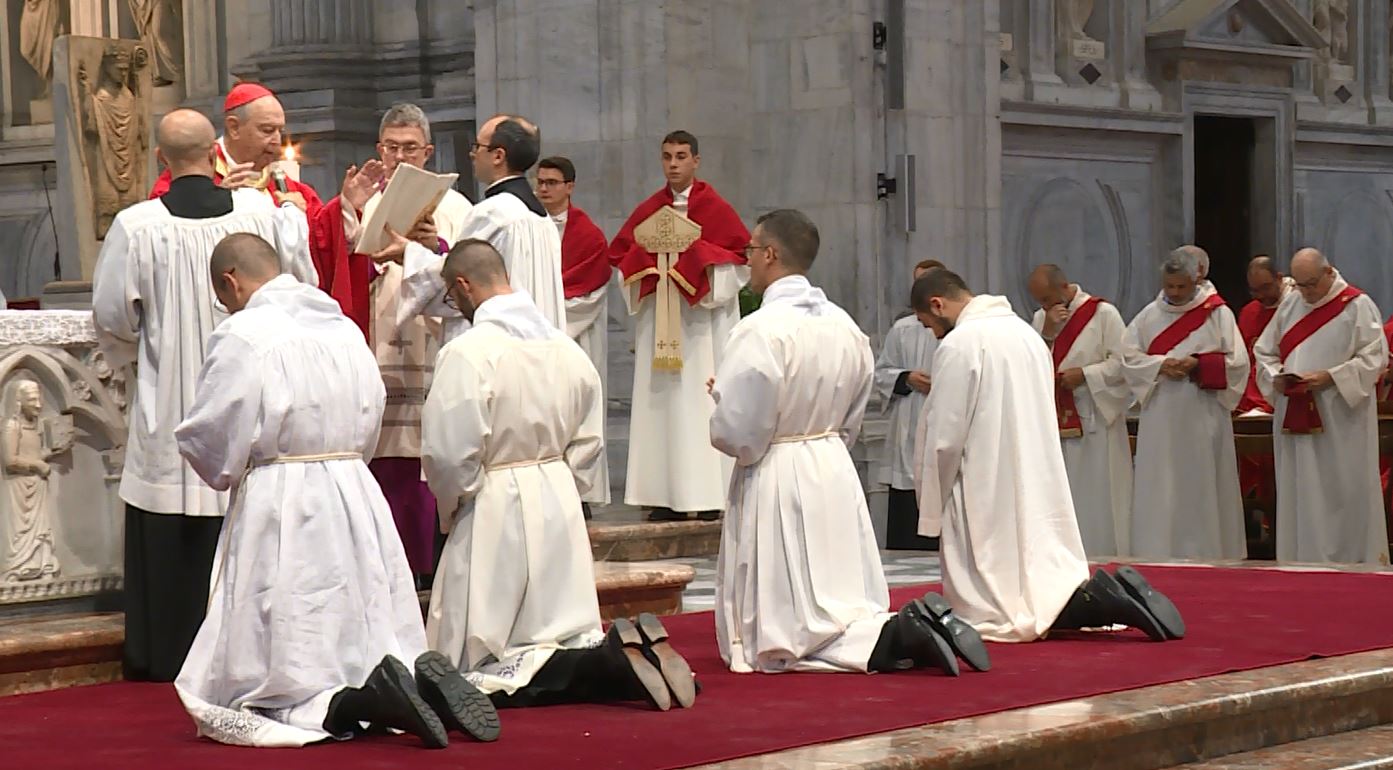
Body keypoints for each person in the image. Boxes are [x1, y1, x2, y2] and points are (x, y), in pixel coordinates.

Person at [172, 233, 497, 749]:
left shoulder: (243, 333)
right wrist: (347, 463)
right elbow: (374, 403)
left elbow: (216, 426)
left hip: (283, 490)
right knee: (356, 612)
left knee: (285, 643)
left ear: (231, 282)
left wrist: (220, 463)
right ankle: (402, 683)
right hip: (353, 486)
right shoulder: (342, 326)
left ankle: (353, 702)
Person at [92, 109, 317, 682]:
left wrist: (149, 353)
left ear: (159, 158)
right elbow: (299, 285)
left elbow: (113, 317)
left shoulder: (137, 225)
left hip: (168, 397)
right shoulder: (257, 212)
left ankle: (165, 654)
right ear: (214, 152)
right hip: (249, 394)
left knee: (169, 509)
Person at [422, 239, 692, 710]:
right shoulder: (565, 348)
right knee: (560, 630)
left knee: (490, 657)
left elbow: (449, 452)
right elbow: (589, 443)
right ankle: (621, 660)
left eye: (451, 296)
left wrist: (455, 503)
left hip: (497, 495)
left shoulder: (468, 353)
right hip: (556, 489)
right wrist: (567, 488)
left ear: (463, 285)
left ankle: (612, 664)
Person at [710, 210, 973, 676]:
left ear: (770, 254)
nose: (746, 259)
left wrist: (722, 401)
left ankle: (883, 641)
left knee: (793, 609)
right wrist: (828, 438)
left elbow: (742, 431)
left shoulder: (759, 329)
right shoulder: (843, 324)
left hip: (780, 466)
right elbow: (856, 406)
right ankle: (890, 631)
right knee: (839, 585)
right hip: (832, 459)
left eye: (750, 250)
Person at [911, 267, 1184, 644]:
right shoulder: (1026, 334)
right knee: (1036, 573)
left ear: (937, 304)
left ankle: (1103, 604)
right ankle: (1103, 601)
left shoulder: (960, 344)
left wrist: (932, 495)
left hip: (984, 476)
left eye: (927, 323)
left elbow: (946, 430)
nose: (933, 333)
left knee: (994, 597)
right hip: (1034, 470)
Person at [308, 102, 474, 582]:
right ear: (379, 149)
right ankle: (378, 566)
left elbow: (469, 272)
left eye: (411, 149)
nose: (401, 158)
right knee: (381, 453)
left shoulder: (457, 209)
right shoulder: (364, 199)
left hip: (431, 342)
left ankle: (427, 568)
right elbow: (333, 262)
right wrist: (348, 211)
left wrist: (433, 248)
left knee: (426, 451)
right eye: (392, 148)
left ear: (428, 152)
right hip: (377, 341)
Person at [610, 131, 749, 521]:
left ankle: (708, 496)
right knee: (662, 407)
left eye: (681, 156)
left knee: (699, 405)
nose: (673, 164)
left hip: (700, 326)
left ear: (696, 161)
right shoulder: (650, 210)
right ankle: (663, 495)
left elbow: (738, 263)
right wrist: (650, 267)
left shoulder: (715, 208)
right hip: (660, 323)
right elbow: (623, 260)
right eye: (667, 156)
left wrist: (697, 263)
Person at [1252, 248, 1389, 564]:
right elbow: (1264, 352)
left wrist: (1330, 377)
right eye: (1300, 284)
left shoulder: (1356, 305)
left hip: (1340, 417)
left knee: (1341, 489)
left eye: (1311, 284)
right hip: (1294, 412)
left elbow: (1374, 359)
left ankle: (1351, 560)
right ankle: (1300, 560)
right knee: (1300, 489)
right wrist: (1277, 377)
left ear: (1329, 272)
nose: (1306, 292)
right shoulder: (1291, 304)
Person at [1122, 247, 1249, 560]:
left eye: (1182, 286)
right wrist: (1160, 365)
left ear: (1196, 280)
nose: (1176, 293)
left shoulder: (1217, 314)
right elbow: (1128, 358)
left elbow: (1238, 362)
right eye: (1170, 286)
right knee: (1162, 482)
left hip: (1201, 410)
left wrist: (1198, 364)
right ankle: (1159, 551)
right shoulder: (1148, 316)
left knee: (1201, 483)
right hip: (1162, 413)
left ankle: (1207, 552)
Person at [401, 114, 564, 344]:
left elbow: (457, 285)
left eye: (478, 146)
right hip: (539, 344)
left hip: (500, 345)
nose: (472, 153)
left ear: (498, 156)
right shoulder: (543, 218)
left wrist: (409, 253)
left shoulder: (493, 213)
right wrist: (435, 248)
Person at [1026, 264, 1132, 557]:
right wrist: (1047, 334)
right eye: (1039, 301)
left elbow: (1123, 363)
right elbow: (1030, 364)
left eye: (1047, 299)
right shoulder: (1041, 319)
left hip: (1095, 415)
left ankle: (1103, 551)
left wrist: (1085, 374)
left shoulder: (1103, 314)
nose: (1043, 306)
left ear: (1063, 288)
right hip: (1055, 420)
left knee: (1097, 491)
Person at [536, 155, 612, 515]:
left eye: (552, 183)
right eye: (540, 182)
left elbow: (594, 289)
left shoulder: (589, 235)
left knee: (580, 412)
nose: (544, 189)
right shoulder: (529, 227)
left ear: (570, 187)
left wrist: (550, 322)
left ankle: (581, 492)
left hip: (576, 335)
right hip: (537, 339)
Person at [148, 82, 320, 217]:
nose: (277, 141)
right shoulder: (192, 168)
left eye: (280, 131)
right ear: (234, 127)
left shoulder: (286, 186)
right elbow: (167, 223)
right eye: (267, 130)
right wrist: (215, 201)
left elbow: (322, 233)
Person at [873, 259, 942, 550]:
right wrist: (906, 377)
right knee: (906, 504)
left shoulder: (959, 328)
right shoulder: (902, 328)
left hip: (940, 416)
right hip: (908, 417)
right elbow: (881, 371)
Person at [1234, 256, 1294, 530]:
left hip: (1281, 395)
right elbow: (1244, 360)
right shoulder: (1249, 312)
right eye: (1254, 290)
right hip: (1251, 397)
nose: (1260, 295)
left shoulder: (1295, 307)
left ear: (1280, 278)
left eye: (1266, 287)